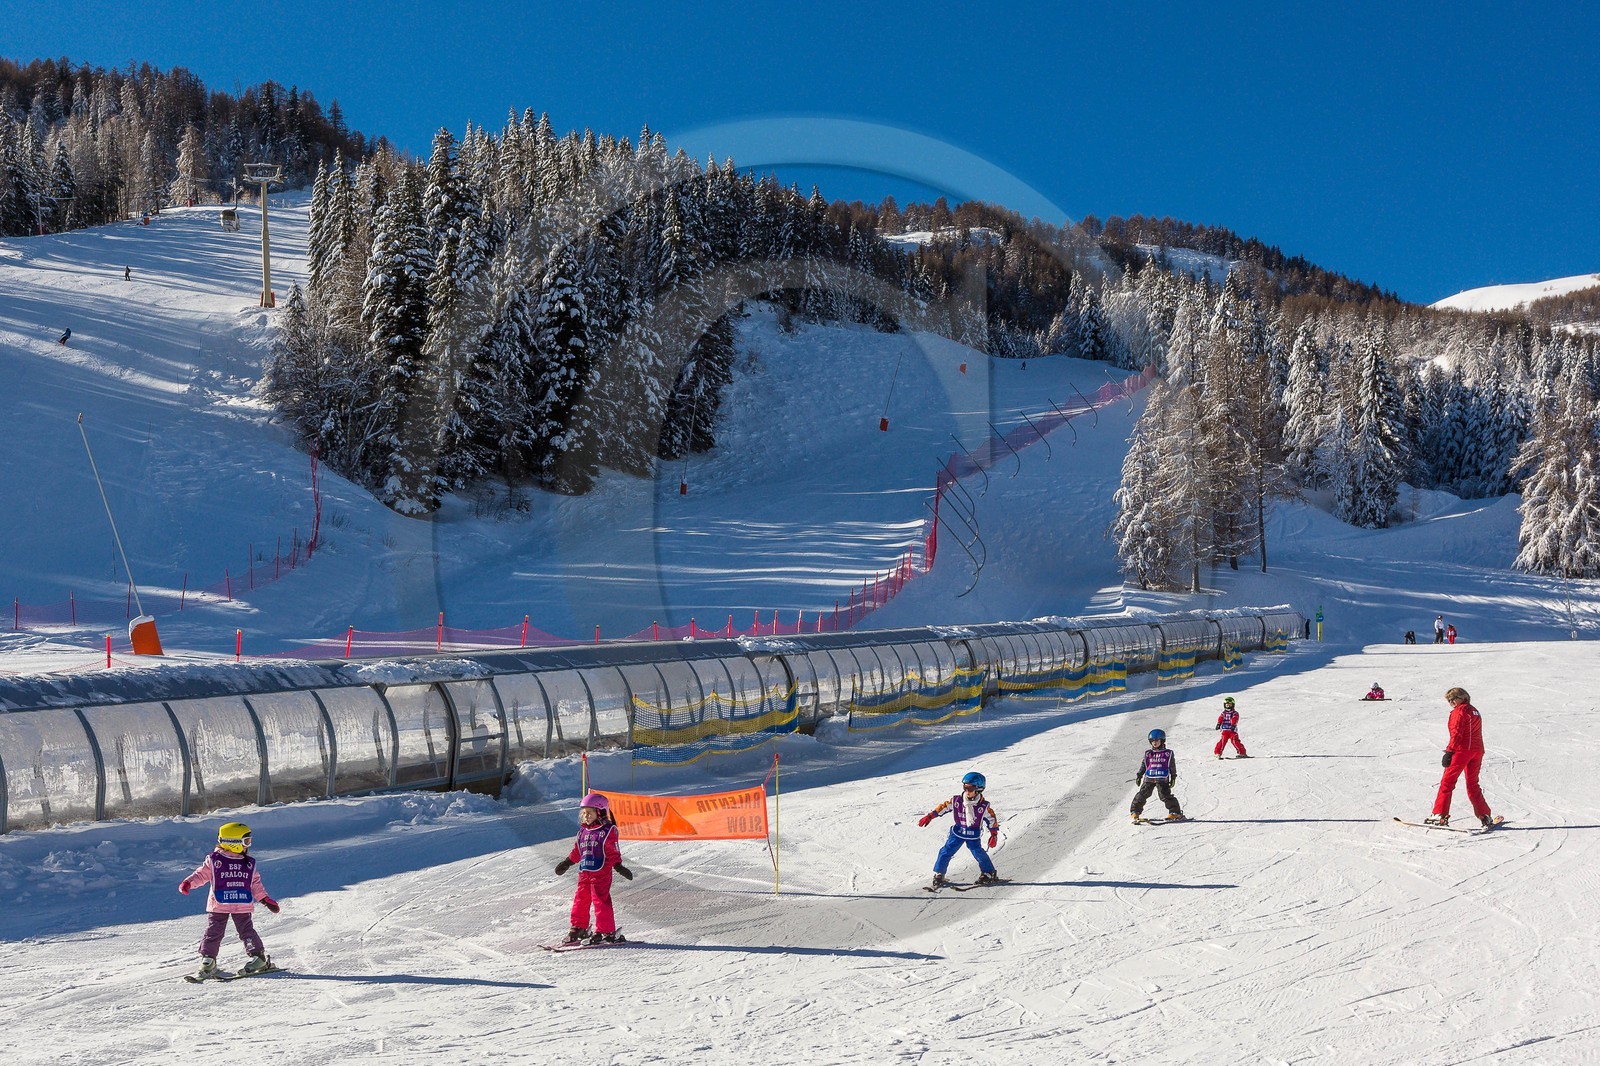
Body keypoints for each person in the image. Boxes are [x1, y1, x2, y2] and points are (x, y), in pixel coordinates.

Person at [178, 821, 280, 980]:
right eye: (246, 841)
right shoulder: (214, 860)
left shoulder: (248, 863)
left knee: (245, 931)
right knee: (214, 931)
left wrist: (265, 899)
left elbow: (255, 884)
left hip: (240, 904)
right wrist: (189, 882)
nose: (248, 845)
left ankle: (258, 958)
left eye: (249, 841)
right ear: (233, 843)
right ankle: (208, 959)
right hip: (220, 904)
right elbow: (201, 874)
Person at [555, 793, 632, 944]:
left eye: (589, 813)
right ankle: (578, 927)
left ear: (600, 812)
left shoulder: (607, 831)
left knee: (600, 901)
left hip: (601, 873)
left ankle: (606, 931)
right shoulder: (583, 832)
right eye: (583, 813)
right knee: (580, 900)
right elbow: (578, 850)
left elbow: (612, 851)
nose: (586, 816)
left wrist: (618, 866)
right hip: (584, 873)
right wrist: (567, 862)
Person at [917, 771, 1001, 889]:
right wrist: (930, 816)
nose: (967, 791)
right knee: (946, 851)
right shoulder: (957, 801)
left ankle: (988, 872)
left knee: (978, 853)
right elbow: (944, 807)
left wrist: (994, 834)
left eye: (970, 788)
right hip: (958, 832)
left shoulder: (983, 807)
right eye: (965, 788)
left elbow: (992, 819)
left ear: (979, 789)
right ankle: (939, 874)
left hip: (973, 834)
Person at [1427, 687, 1495, 828]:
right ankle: (1485, 815)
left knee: (1447, 783)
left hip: (1462, 751)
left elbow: (1457, 733)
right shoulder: (1474, 711)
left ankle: (1440, 814)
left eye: (1453, 698)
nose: (1451, 702)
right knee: (1472, 784)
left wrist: (1449, 752)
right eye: (1449, 700)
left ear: (1463, 697)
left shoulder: (1460, 711)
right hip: (1477, 751)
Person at [1132, 729, 1186, 821]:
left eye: (1157, 740)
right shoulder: (1148, 753)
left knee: (1165, 796)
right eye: (1152, 741)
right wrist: (1139, 775)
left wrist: (1173, 777)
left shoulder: (1167, 753)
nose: (1155, 743)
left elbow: (1171, 765)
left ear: (1162, 741)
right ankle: (1135, 811)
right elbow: (1144, 765)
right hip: (1149, 778)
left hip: (1162, 778)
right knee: (1142, 795)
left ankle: (1175, 812)